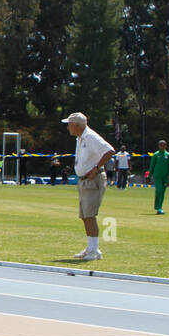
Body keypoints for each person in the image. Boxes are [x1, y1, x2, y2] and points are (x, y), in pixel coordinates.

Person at [62, 111, 114, 261]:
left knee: (90, 215)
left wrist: (96, 168)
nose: (68, 128)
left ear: (77, 125)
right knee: (85, 216)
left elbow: (109, 151)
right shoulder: (80, 138)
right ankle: (90, 247)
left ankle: (95, 250)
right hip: (84, 180)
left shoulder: (91, 137)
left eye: (70, 125)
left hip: (93, 180)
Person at [148, 140, 169, 215]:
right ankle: (157, 206)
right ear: (159, 146)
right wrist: (149, 176)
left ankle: (160, 208)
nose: (162, 147)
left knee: (162, 192)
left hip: (165, 176)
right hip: (157, 175)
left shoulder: (167, 154)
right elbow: (152, 166)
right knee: (159, 190)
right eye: (161, 145)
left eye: (164, 145)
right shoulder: (156, 154)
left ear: (166, 146)